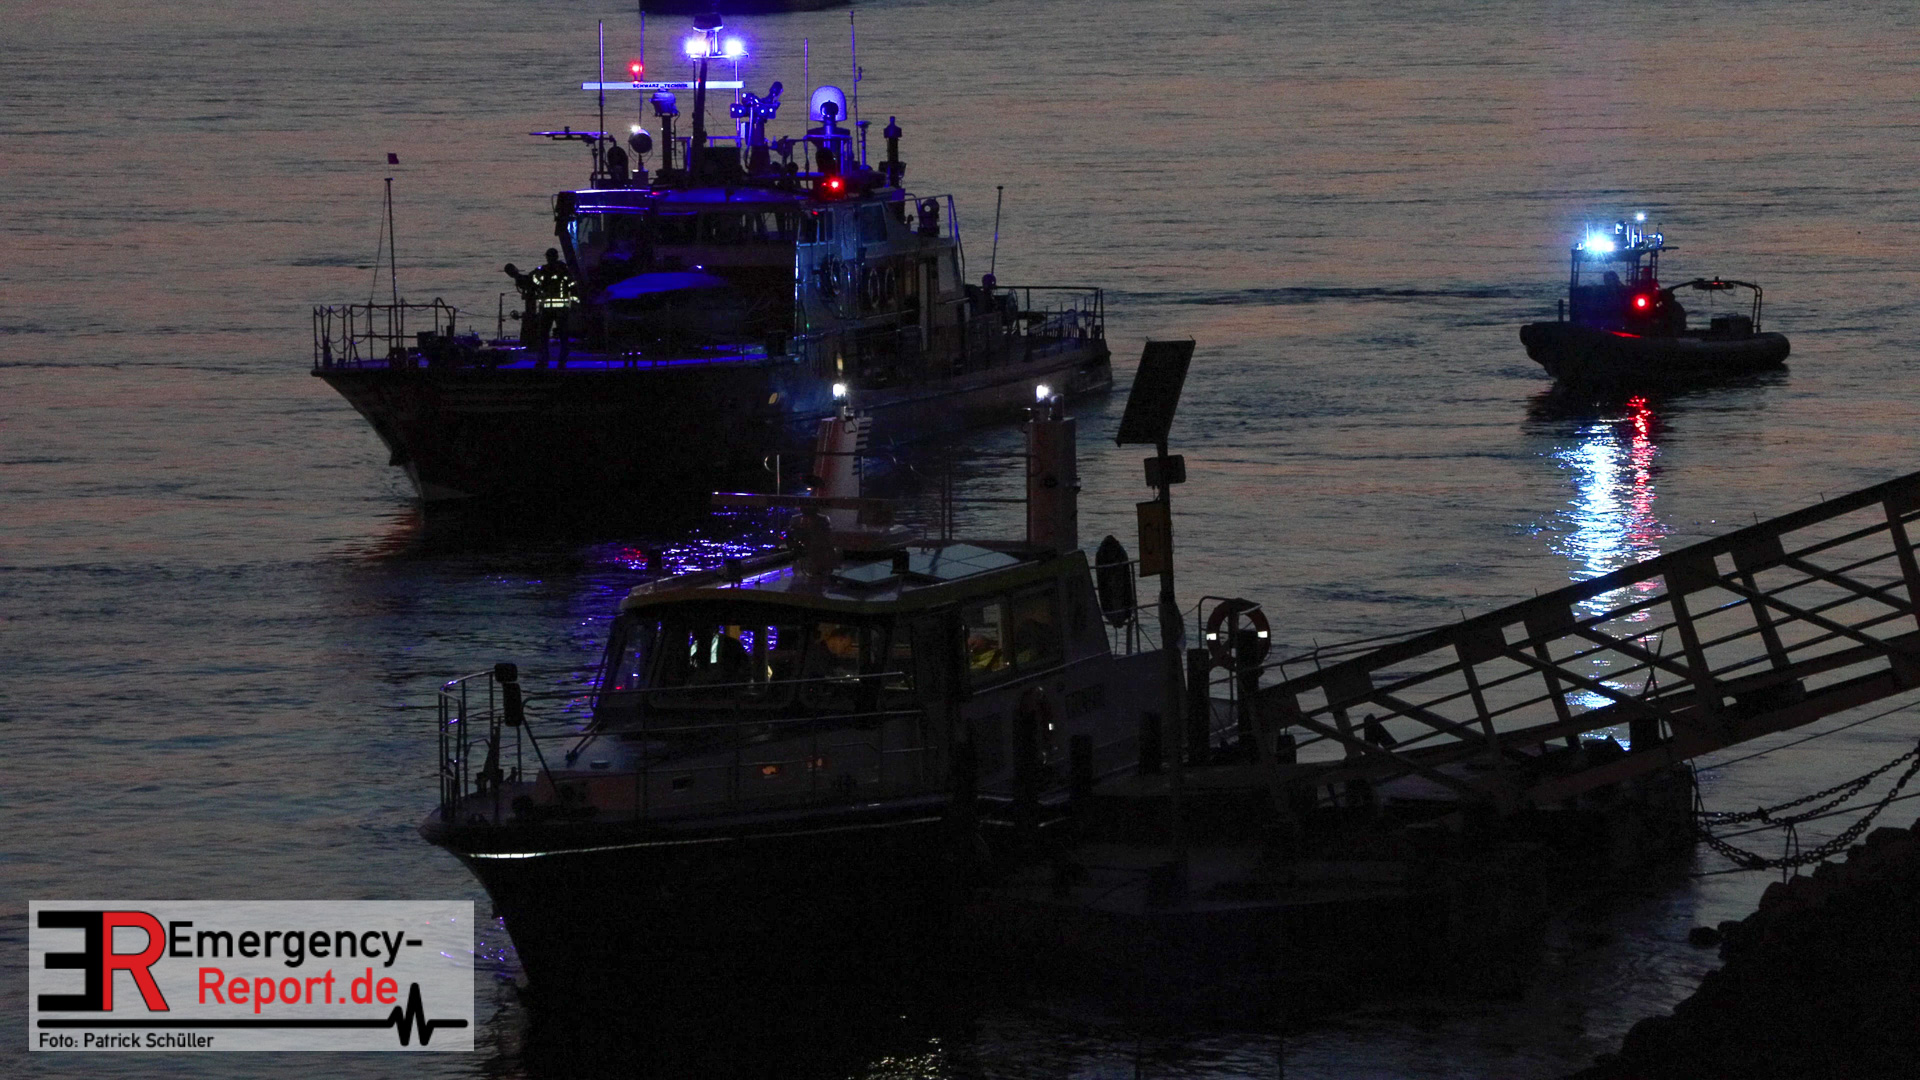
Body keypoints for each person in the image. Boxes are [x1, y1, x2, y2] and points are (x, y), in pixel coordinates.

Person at [529, 248, 577, 367]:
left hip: (547, 309)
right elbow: (573, 287)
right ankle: (561, 361)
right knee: (562, 335)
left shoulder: (543, 271)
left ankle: (544, 360)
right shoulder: (565, 271)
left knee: (544, 335)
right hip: (561, 309)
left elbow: (534, 282)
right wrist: (575, 304)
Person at [503, 263, 540, 349]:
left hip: (531, 304)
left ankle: (531, 342)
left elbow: (530, 284)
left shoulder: (521, 280)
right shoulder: (520, 279)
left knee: (531, 317)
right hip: (531, 303)